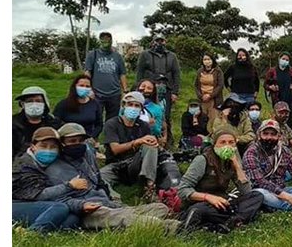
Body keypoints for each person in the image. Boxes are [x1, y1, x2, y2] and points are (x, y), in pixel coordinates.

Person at [17, 125, 179, 233]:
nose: (78, 144)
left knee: (159, 208)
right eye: (72, 141)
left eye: (80, 141)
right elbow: (58, 201)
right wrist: (82, 204)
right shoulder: (53, 168)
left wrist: (108, 197)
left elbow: (98, 179)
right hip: (86, 209)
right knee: (121, 218)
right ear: (63, 144)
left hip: (102, 200)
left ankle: (152, 218)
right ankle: (171, 227)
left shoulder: (85, 155)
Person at [177, 131, 265, 233]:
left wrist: (237, 166)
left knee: (257, 195)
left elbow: (246, 191)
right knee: (199, 210)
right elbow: (182, 189)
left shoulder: (230, 162)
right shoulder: (202, 160)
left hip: (222, 203)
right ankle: (228, 221)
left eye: (231, 142)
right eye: (222, 142)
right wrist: (208, 197)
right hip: (202, 203)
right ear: (215, 145)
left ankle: (231, 222)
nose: (227, 146)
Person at [101, 91, 181, 201]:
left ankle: (149, 186)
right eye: (130, 104)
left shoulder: (144, 126)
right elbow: (115, 149)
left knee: (150, 146)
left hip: (135, 164)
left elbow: (149, 146)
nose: (133, 108)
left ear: (141, 109)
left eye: (136, 105)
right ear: (124, 106)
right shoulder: (112, 124)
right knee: (100, 177)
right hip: (116, 165)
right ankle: (115, 199)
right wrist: (137, 142)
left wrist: (153, 142)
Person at [242, 119, 292, 211]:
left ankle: (291, 203)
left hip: (282, 189)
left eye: (273, 134)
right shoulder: (251, 153)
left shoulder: (284, 151)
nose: (269, 137)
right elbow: (260, 182)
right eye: (265, 134)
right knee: (259, 194)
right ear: (259, 136)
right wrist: (289, 198)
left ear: (279, 136)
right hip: (261, 190)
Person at [10, 126, 81, 234]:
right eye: (43, 146)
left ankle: (38, 225)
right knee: (60, 208)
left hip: (36, 205)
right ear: (33, 147)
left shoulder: (46, 164)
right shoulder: (24, 165)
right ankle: (31, 233)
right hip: (14, 205)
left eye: (53, 147)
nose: (48, 150)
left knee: (72, 219)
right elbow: (38, 195)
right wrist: (69, 186)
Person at [135, 35, 180, 137]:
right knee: (148, 111)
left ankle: (166, 138)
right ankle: (146, 134)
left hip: (166, 88)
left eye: (162, 41)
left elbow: (176, 74)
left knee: (166, 115)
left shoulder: (172, 56)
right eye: (157, 41)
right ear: (153, 42)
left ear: (165, 42)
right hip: (149, 89)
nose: (159, 43)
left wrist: (175, 92)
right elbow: (139, 72)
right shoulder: (145, 54)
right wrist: (138, 89)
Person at [85, 31, 128, 121]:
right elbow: (87, 72)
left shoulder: (118, 56)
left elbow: (122, 74)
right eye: (103, 39)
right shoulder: (93, 55)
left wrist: (125, 91)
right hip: (97, 93)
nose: (105, 41)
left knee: (113, 119)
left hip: (115, 93)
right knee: (95, 117)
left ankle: (110, 134)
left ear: (111, 40)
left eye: (107, 39)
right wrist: (88, 89)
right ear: (100, 40)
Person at [13, 86, 62, 157]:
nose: (34, 104)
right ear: (22, 104)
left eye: (38, 101)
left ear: (45, 104)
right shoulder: (13, 124)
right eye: (29, 101)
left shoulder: (55, 123)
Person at [53, 73, 104, 140]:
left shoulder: (95, 104)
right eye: (81, 85)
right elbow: (55, 122)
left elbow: (99, 125)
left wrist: (92, 137)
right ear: (75, 86)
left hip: (88, 138)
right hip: (68, 139)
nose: (84, 88)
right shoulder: (63, 104)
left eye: (87, 86)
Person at [263, 53, 292, 129]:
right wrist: (270, 87)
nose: (285, 61)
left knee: (290, 118)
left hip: (290, 98)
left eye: (287, 60)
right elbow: (265, 84)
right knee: (278, 116)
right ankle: (278, 133)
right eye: (283, 59)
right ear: (279, 59)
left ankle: (290, 136)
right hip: (277, 98)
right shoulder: (272, 71)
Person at [135, 78, 167, 144]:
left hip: (149, 140)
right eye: (143, 86)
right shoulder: (128, 104)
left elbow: (157, 130)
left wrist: (151, 125)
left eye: (149, 88)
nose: (145, 89)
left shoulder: (157, 109)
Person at [194, 53, 224, 119]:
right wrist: (201, 96)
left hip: (214, 99)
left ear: (212, 60)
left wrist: (210, 95)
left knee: (214, 119)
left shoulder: (218, 71)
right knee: (203, 119)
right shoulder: (199, 71)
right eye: (205, 59)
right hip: (203, 100)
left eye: (208, 59)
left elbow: (220, 85)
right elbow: (196, 85)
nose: (207, 61)